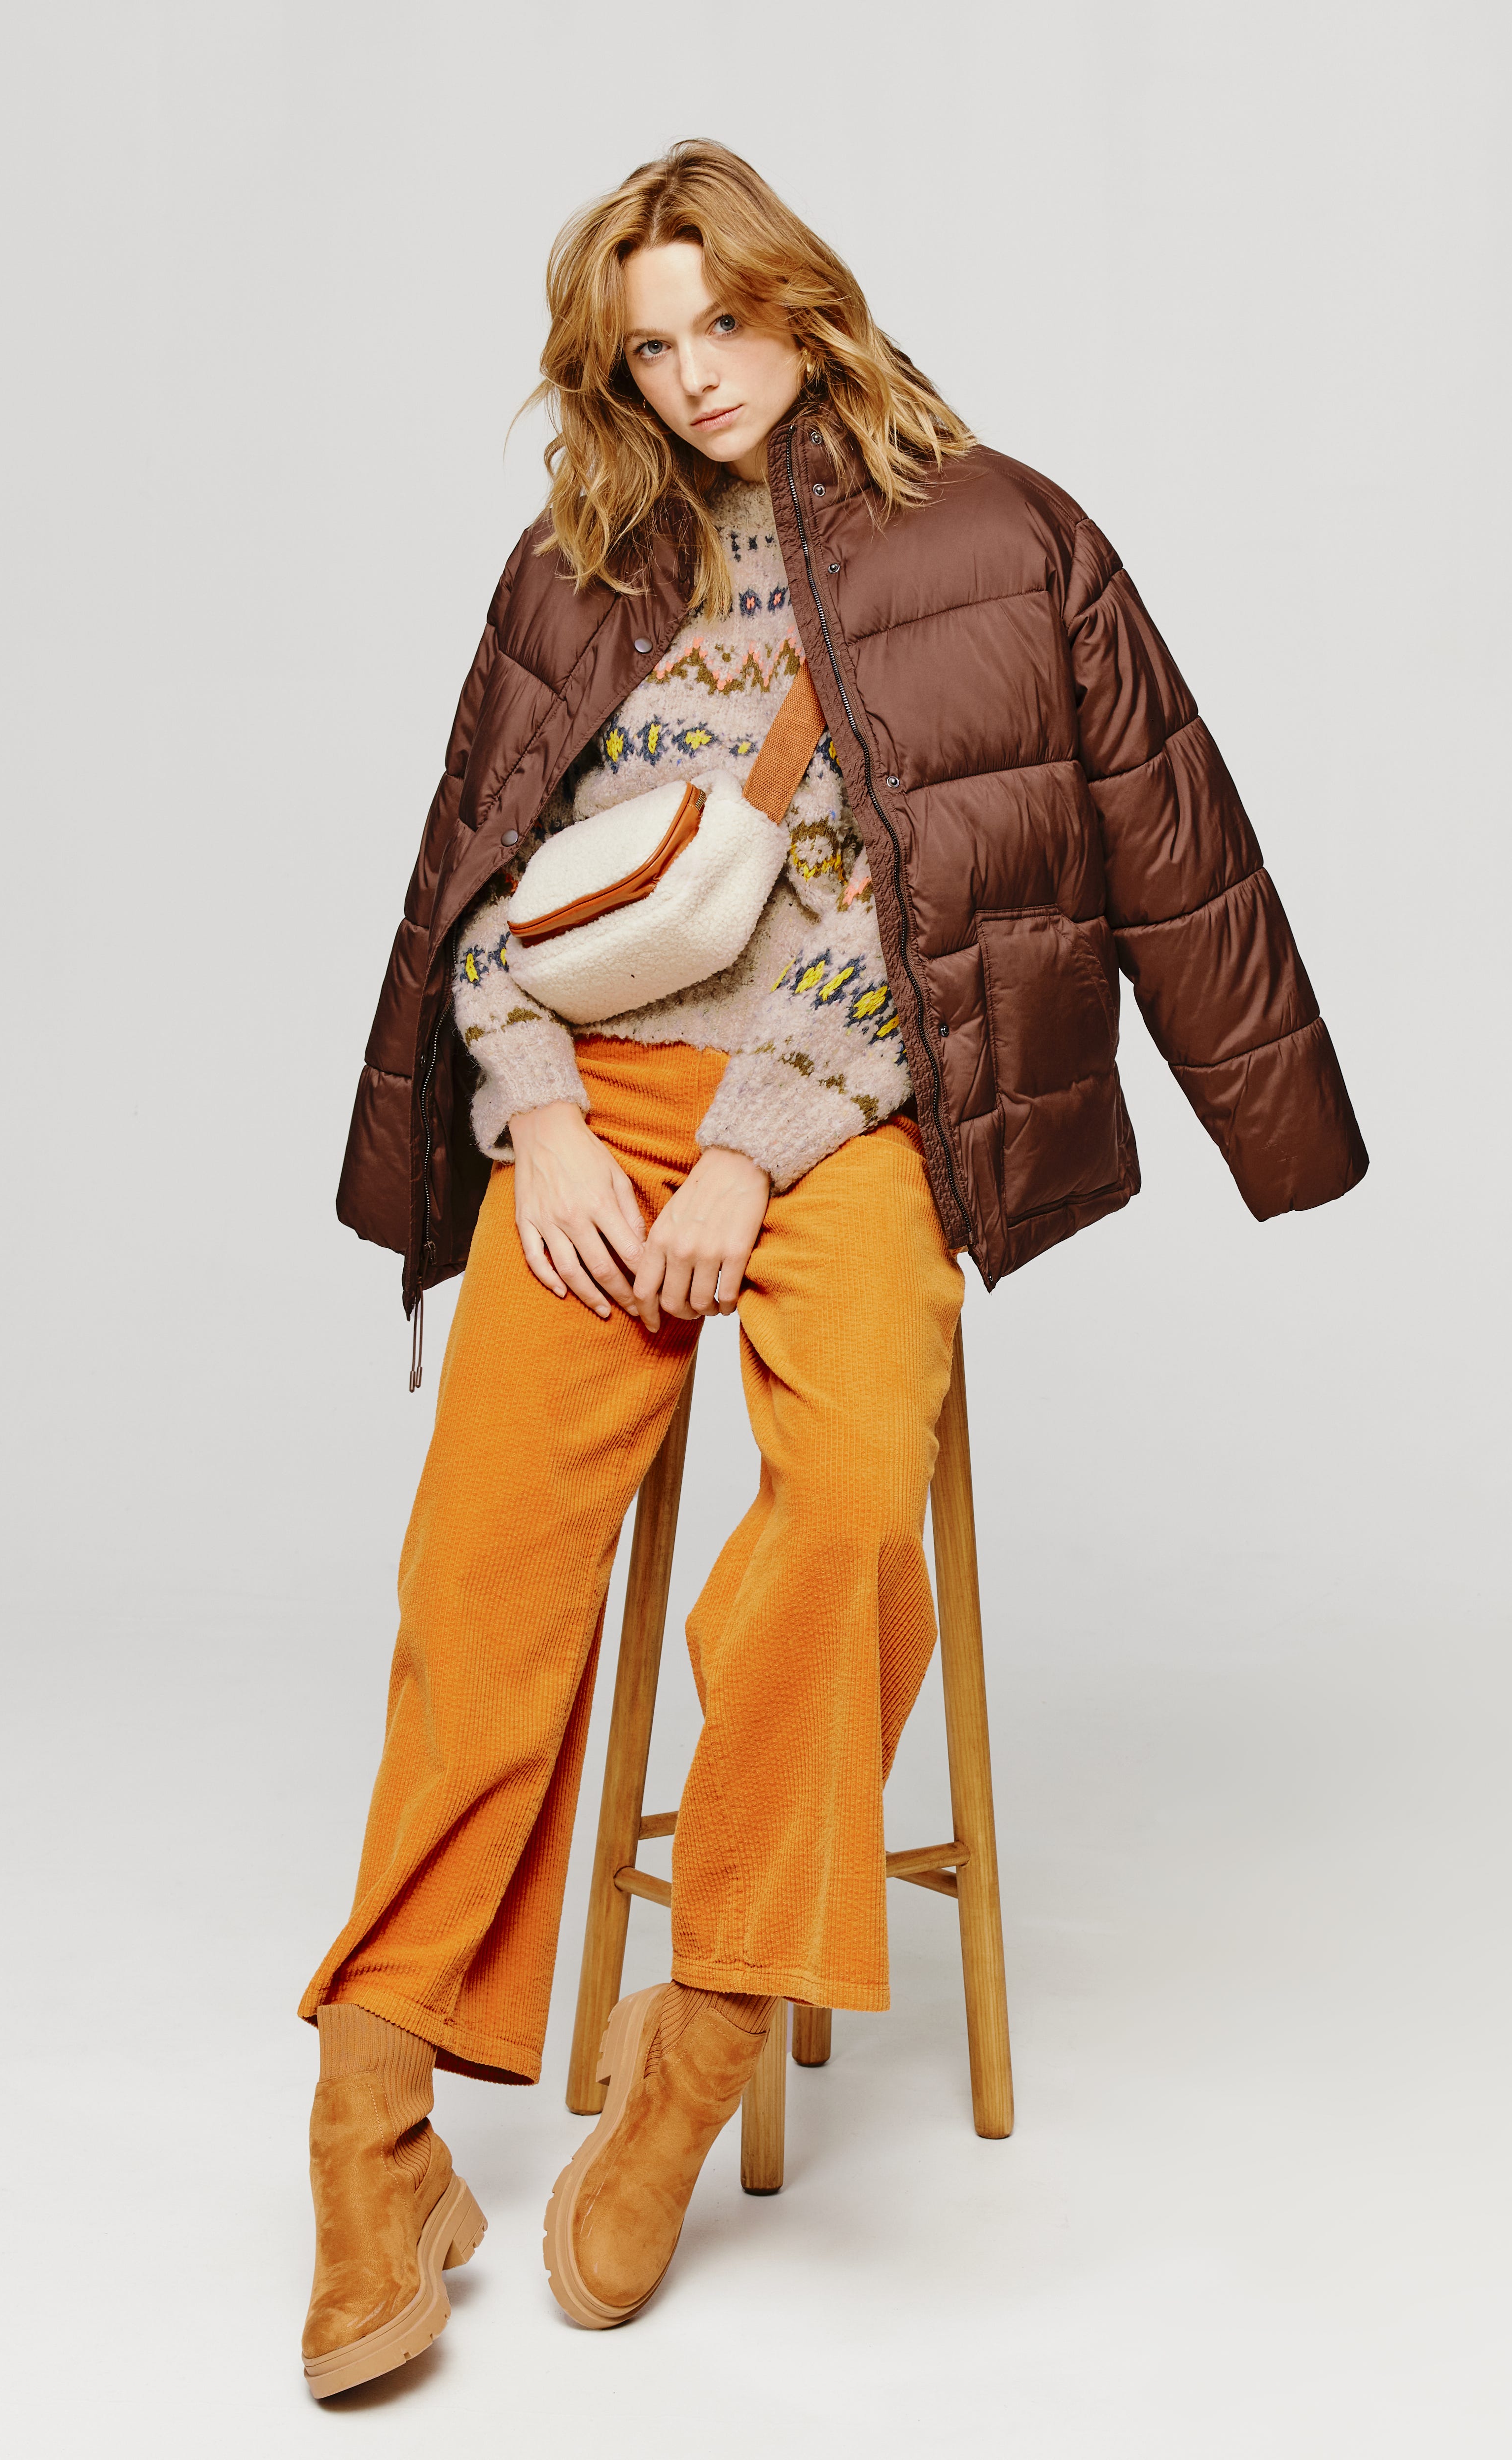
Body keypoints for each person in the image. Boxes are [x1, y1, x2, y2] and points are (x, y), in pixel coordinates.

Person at [296, 139, 1368, 2396]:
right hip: (593, 1121)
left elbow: (1046, 862)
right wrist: (539, 1114)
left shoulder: (1000, 536)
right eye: (648, 347)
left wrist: (763, 1142)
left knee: (857, 1505)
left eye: (725, 321)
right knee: (477, 1571)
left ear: (804, 302)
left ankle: (693, 2048)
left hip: (856, 1120)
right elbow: (481, 880)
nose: (696, 375)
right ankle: (370, 2126)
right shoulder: (574, 564)